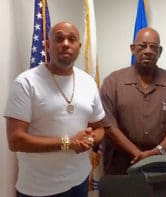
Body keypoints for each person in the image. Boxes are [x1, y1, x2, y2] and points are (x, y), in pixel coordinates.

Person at [4, 22, 105, 197]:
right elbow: (15, 140)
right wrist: (69, 143)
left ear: (79, 47)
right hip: (39, 188)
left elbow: (100, 128)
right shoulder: (26, 83)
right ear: (48, 45)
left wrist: (89, 139)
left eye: (71, 39)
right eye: (59, 38)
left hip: (79, 182)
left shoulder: (88, 82)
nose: (65, 43)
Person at [100, 27, 166, 174]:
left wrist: (158, 152)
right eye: (142, 46)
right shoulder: (112, 82)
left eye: (153, 47)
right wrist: (137, 154)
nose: (148, 51)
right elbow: (108, 126)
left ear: (160, 52)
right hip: (121, 166)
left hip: (165, 165)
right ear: (133, 49)